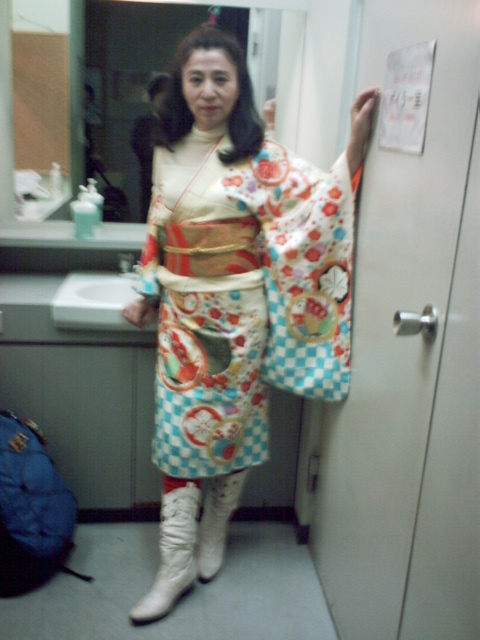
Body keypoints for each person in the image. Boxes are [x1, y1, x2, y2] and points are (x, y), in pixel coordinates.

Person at [122, 23, 378, 626]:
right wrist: (147, 290)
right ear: (181, 84)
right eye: (196, 78)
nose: (208, 90)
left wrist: (356, 146)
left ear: (238, 84)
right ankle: (176, 562)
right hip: (181, 319)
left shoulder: (261, 155)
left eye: (221, 78)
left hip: (239, 320)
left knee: (230, 430)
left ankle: (216, 526)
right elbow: (158, 225)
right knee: (178, 438)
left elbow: (318, 206)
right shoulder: (164, 147)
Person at [130, 74, 171, 222]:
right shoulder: (143, 123)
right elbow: (139, 148)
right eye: (161, 96)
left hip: (174, 179)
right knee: (149, 217)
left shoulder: (178, 124)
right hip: (149, 178)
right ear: (153, 98)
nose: (165, 102)